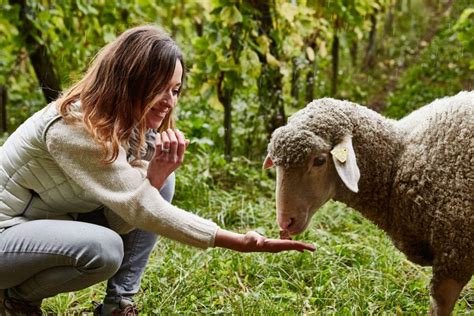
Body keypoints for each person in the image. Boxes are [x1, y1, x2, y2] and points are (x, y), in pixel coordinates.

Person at [0, 25, 315, 315]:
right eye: (160, 88)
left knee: (159, 183)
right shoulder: (73, 127)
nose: (170, 101)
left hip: (45, 221)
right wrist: (238, 241)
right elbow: (140, 208)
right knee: (103, 249)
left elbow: (134, 208)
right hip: (6, 233)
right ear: (130, 81)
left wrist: (156, 177)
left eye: (175, 90)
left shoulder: (130, 125)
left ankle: (118, 303)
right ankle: (15, 300)